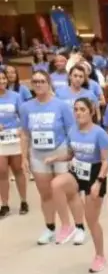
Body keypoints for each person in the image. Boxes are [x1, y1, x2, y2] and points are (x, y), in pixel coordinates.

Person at [45, 98, 108, 271]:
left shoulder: (99, 133)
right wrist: (55, 158)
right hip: (78, 170)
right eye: (76, 109)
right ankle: (67, 226)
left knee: (92, 220)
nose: (79, 113)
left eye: (82, 109)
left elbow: (106, 160)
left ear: (91, 112)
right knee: (56, 184)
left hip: (95, 173)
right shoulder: (73, 130)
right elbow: (70, 155)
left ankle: (100, 256)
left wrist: (99, 182)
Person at [20, 70, 77, 244]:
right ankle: (50, 227)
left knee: (65, 191)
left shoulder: (60, 105)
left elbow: (71, 130)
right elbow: (24, 133)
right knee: (45, 193)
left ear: (48, 83)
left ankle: (72, 226)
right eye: (35, 81)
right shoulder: (26, 107)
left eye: (42, 81)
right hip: (38, 154)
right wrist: (24, 157)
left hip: (59, 151)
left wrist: (72, 153)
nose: (38, 84)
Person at [0, 69, 28, 217]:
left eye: (4, 78)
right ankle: (4, 204)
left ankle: (24, 201)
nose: (2, 81)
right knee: (2, 171)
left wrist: (19, 129)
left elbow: (23, 117)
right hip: (0, 141)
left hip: (14, 138)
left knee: (18, 170)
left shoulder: (16, 96)